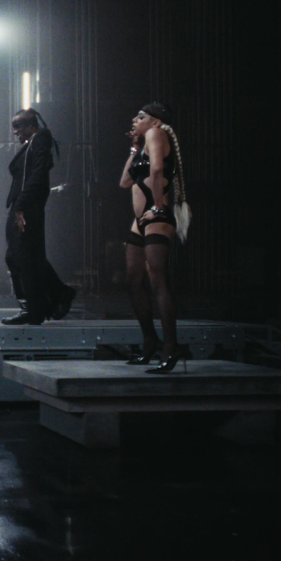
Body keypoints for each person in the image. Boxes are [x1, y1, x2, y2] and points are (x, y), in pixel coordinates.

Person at [120, 102, 188, 373]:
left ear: (156, 121)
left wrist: (158, 207)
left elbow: (158, 170)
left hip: (157, 216)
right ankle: (150, 341)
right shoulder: (144, 143)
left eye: (141, 116)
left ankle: (171, 347)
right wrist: (134, 148)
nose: (135, 120)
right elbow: (125, 182)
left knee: (158, 282)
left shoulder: (156, 134)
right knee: (134, 281)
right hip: (141, 221)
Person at [1, 109, 76, 325]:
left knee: (21, 256)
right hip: (23, 204)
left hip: (26, 205)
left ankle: (34, 307)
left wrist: (21, 205)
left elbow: (38, 173)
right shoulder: (32, 144)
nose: (15, 131)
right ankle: (50, 298)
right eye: (14, 127)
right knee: (23, 256)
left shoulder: (41, 139)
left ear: (31, 125)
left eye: (19, 126)